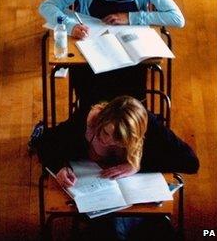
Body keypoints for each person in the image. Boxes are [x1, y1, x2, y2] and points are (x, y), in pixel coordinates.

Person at [39, 0, 185, 116]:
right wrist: (71, 25)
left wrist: (131, 18)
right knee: (91, 102)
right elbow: (47, 6)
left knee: (128, 104)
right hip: (94, 48)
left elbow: (176, 18)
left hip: (130, 52)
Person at [38, 95, 199, 241]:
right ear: (102, 119)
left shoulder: (148, 124)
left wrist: (137, 166)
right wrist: (59, 167)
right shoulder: (87, 120)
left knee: (161, 231)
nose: (108, 141)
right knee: (111, 231)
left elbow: (190, 162)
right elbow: (45, 143)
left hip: (137, 200)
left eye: (119, 140)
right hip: (98, 199)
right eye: (106, 133)